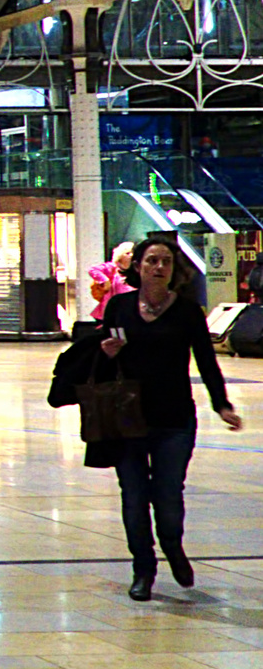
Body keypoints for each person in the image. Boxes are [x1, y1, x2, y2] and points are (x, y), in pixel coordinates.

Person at [95, 234, 242, 601]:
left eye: (165, 262)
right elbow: (102, 360)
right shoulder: (120, 308)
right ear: (138, 267)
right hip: (127, 417)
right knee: (133, 495)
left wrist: (221, 403)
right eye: (151, 261)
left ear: (174, 270)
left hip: (174, 417)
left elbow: (206, 360)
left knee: (168, 495)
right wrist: (107, 353)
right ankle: (143, 568)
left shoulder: (188, 311)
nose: (158, 268)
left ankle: (173, 547)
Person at [92, 242, 135, 322]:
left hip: (129, 310)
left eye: (132, 253)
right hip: (112, 310)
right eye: (127, 253)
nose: (131, 255)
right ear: (120, 255)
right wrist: (105, 280)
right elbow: (93, 270)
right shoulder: (112, 267)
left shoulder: (136, 269)